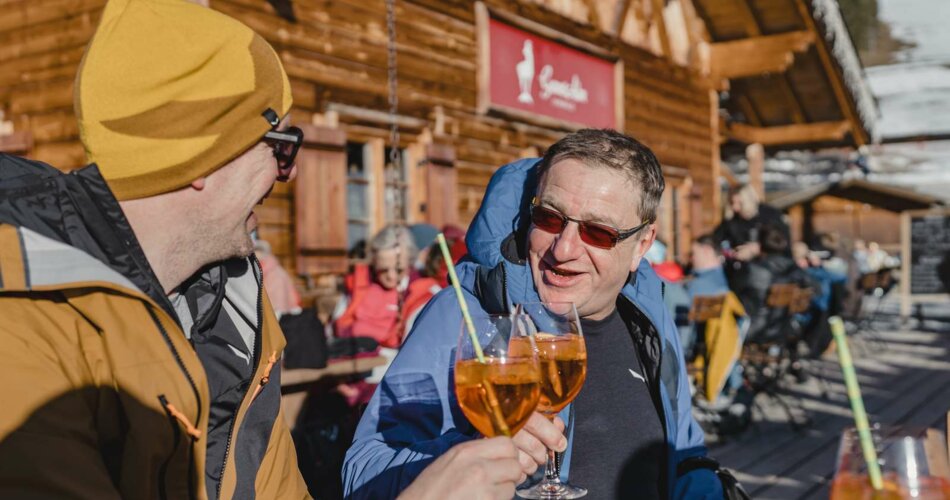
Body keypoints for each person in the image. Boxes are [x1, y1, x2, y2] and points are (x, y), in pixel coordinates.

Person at [0, 1, 523, 498]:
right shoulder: (22, 331)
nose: (288, 172)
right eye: (279, 145)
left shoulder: (236, 307)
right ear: (204, 154)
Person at [343, 129, 724, 499]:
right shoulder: (463, 315)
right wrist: (471, 455)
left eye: (598, 232)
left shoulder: (649, 319)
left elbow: (684, 452)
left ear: (642, 244)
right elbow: (363, 473)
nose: (564, 249)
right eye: (550, 219)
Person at [714, 183, 790, 262]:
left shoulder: (770, 215)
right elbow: (716, 240)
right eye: (732, 203)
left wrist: (757, 249)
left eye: (740, 203)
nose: (735, 207)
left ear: (749, 201)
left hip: (769, 265)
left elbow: (783, 244)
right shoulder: (731, 220)